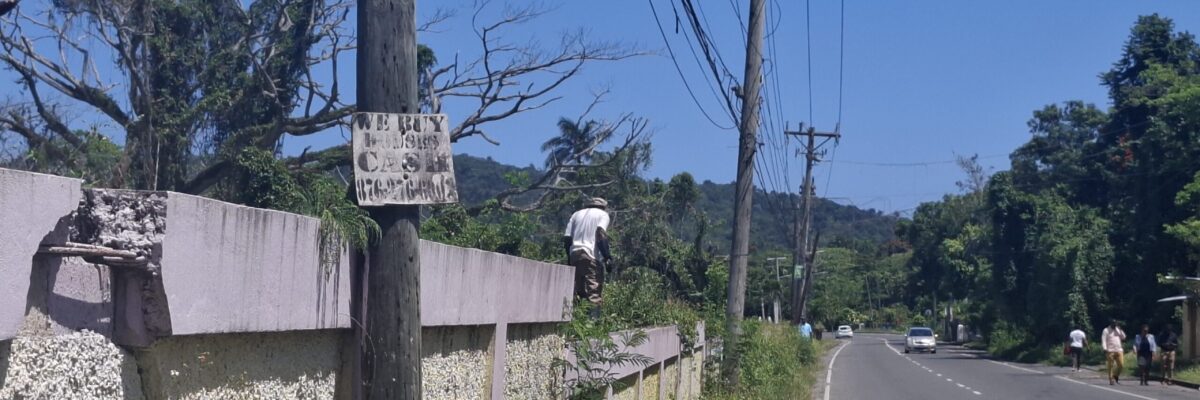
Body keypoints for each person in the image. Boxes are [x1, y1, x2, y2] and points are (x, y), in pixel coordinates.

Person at [564, 197, 612, 308]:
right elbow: (600, 233)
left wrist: (569, 258)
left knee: (578, 291)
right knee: (594, 292)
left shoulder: (576, 215)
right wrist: (607, 257)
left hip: (574, 254)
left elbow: (567, 238)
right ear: (603, 207)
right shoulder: (603, 215)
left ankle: (577, 316)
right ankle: (594, 318)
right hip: (590, 255)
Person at [1102, 320, 1126, 385]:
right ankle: (1111, 379)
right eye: (1113, 323)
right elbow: (1103, 340)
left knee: (1121, 365)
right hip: (1110, 350)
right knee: (1111, 366)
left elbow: (1123, 337)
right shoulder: (1106, 330)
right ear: (1111, 323)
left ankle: (1115, 375)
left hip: (1119, 350)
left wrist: (1120, 330)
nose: (1115, 325)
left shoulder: (1118, 330)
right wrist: (1104, 348)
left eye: (1115, 324)